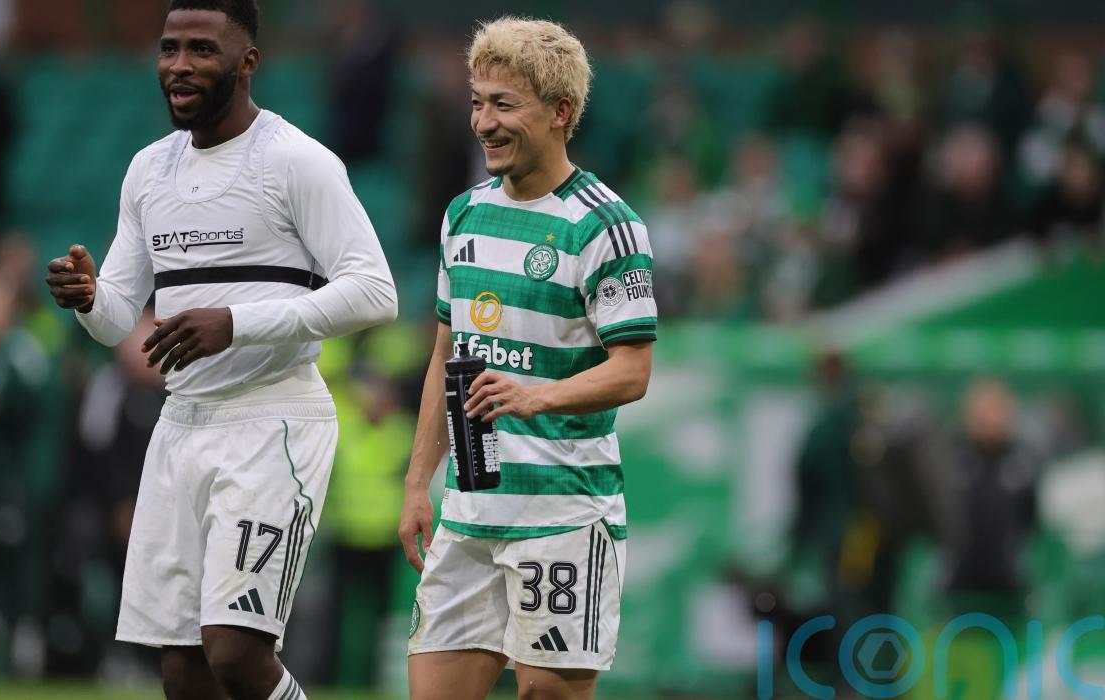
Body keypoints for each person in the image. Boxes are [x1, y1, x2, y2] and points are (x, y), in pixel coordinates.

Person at [44, 2, 397, 698]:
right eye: (169, 49)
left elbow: (375, 292)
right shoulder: (149, 170)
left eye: (202, 50)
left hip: (273, 420)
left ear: (248, 62)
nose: (179, 66)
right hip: (181, 424)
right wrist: (87, 297)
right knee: (182, 670)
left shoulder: (296, 160)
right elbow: (117, 319)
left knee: (235, 652)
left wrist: (237, 323)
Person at [398, 17, 657, 700]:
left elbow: (633, 370)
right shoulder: (464, 214)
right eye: (477, 102)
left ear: (560, 112)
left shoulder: (605, 225)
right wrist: (418, 482)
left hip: (563, 515)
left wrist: (534, 395)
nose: (483, 122)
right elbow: (445, 355)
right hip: (470, 513)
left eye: (504, 105)